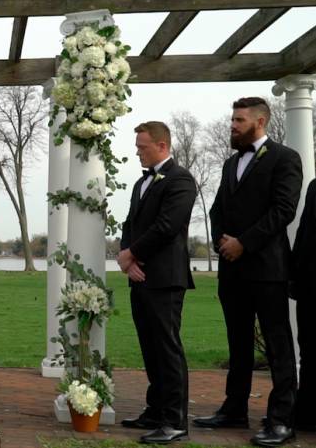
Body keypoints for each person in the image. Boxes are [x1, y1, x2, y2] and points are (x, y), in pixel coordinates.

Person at [195, 97, 301, 447]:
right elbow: (216, 209)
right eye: (232, 120)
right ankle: (234, 408)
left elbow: (282, 210)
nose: (232, 126)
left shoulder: (285, 158)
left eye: (239, 121)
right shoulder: (229, 164)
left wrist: (245, 243)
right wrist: (222, 242)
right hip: (232, 270)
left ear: (260, 122)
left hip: (267, 268)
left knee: (278, 345)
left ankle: (282, 419)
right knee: (237, 342)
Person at [117, 121, 196, 444]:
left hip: (165, 278)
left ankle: (175, 420)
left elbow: (167, 226)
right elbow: (130, 223)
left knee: (167, 348)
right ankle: (155, 409)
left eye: (142, 147)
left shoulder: (181, 181)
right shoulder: (140, 184)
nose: (138, 152)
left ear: (162, 146)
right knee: (149, 348)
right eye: (137, 146)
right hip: (140, 277)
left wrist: (133, 254)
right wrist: (128, 256)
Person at [289, 178, 316, 433]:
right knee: (308, 350)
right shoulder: (315, 187)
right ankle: (306, 412)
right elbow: (304, 233)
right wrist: (294, 277)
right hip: (310, 286)